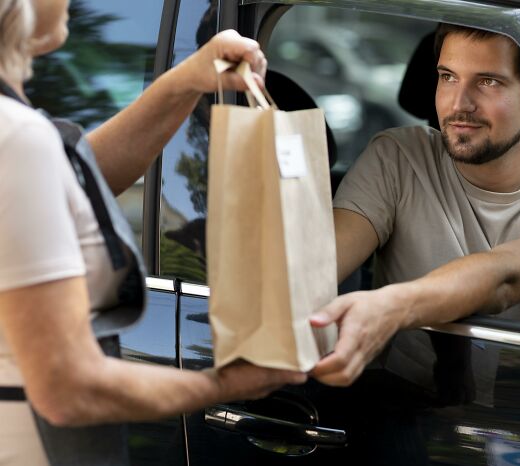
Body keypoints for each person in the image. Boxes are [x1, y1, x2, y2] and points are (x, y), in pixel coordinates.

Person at [0, 1, 306, 464]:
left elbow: (81, 178)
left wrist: (188, 78)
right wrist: (224, 384)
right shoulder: (18, 140)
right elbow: (67, 388)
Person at [310, 23, 520, 387]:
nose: (459, 104)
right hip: (401, 407)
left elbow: (503, 277)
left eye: (488, 81)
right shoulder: (397, 157)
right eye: (448, 77)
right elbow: (320, 265)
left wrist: (391, 308)